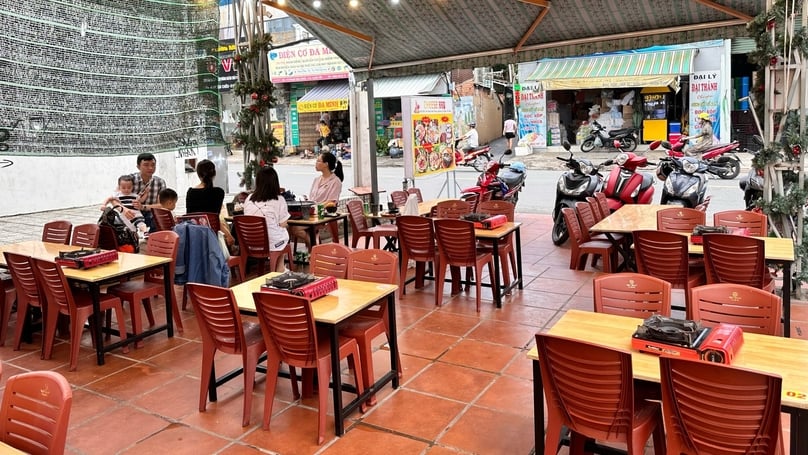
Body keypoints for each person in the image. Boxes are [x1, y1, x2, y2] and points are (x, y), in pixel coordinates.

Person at [292, 152, 344, 251]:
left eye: (318, 161)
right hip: (310, 213)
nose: (316, 163)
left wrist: (316, 207)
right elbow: (311, 198)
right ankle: (313, 246)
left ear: (326, 164)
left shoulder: (335, 181)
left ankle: (313, 246)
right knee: (293, 227)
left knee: (296, 229)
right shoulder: (316, 180)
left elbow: (331, 201)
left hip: (322, 214)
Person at [243, 166, 290, 271]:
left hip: (251, 244)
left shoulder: (249, 198)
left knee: (278, 233)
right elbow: (283, 223)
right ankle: (280, 268)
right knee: (283, 232)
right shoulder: (279, 199)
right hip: (271, 244)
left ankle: (279, 268)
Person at [186, 159, 235, 246]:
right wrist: (228, 235)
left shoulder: (190, 192)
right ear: (214, 174)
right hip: (213, 238)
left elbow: (189, 216)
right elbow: (214, 220)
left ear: (198, 175)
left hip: (194, 237)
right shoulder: (219, 192)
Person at [131, 153, 166, 232]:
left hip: (150, 213)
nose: (150, 168)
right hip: (132, 212)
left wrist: (143, 207)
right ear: (138, 167)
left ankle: (152, 237)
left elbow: (161, 204)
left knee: (160, 216)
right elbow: (115, 197)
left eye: (153, 165)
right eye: (146, 165)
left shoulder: (160, 182)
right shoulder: (130, 179)